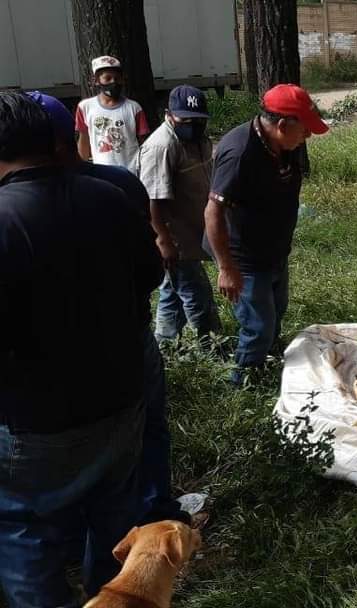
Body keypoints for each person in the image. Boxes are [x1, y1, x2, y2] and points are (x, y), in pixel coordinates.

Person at [0, 91, 161, 606]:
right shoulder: (109, 198)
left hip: (35, 421)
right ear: (55, 140)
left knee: (25, 532)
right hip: (119, 402)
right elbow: (149, 278)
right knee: (113, 519)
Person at [29, 91, 191, 529]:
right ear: (72, 135)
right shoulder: (117, 186)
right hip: (125, 335)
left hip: (44, 356)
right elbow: (149, 271)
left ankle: (73, 528)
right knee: (144, 428)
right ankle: (153, 510)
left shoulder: (12, 205)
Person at [204, 83, 328, 386]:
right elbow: (213, 211)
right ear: (283, 125)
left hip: (272, 251)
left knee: (276, 314)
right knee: (258, 326)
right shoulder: (240, 153)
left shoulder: (284, 145)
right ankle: (242, 384)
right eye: (305, 129)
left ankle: (269, 369)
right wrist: (226, 268)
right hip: (242, 258)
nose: (308, 136)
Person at [139, 85, 221, 345]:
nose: (193, 126)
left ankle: (164, 342)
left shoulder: (198, 139)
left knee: (172, 292)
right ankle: (212, 346)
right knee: (196, 294)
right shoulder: (161, 147)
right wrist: (164, 241)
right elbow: (151, 199)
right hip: (175, 237)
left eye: (199, 121)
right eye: (186, 120)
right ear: (169, 115)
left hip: (193, 231)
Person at [75, 55, 150, 173]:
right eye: (108, 78)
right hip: (102, 174)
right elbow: (84, 141)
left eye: (117, 78)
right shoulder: (85, 107)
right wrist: (81, 170)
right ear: (96, 81)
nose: (113, 82)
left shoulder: (134, 108)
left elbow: (144, 144)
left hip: (132, 173)